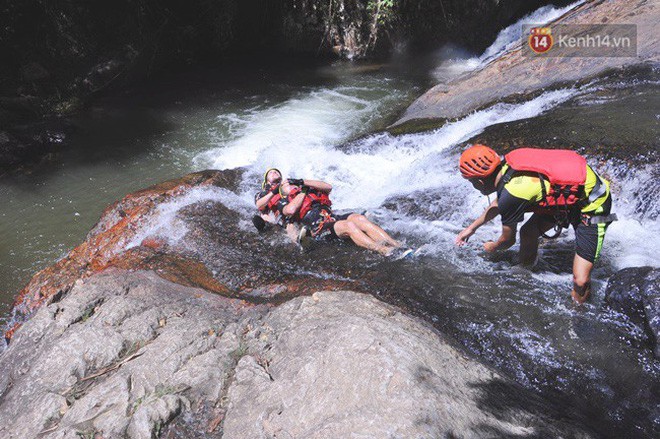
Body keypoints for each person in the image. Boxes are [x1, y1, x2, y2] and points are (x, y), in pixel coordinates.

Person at [455, 144, 616, 304]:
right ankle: (524, 272)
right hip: (568, 197)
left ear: (481, 182)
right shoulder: (509, 170)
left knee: (580, 281)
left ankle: (579, 316)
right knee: (528, 232)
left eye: (471, 182)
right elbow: (500, 203)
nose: (473, 186)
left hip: (594, 207)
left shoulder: (512, 194)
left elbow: (507, 240)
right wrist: (471, 228)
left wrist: (493, 247)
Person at [277, 177, 411, 257]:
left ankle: (397, 245)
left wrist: (302, 182)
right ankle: (384, 250)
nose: (291, 184)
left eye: (291, 182)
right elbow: (291, 210)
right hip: (318, 228)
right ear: (282, 191)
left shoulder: (310, 190)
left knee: (359, 218)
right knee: (349, 226)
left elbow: (328, 187)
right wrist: (302, 192)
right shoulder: (283, 201)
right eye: (287, 184)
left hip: (331, 218)